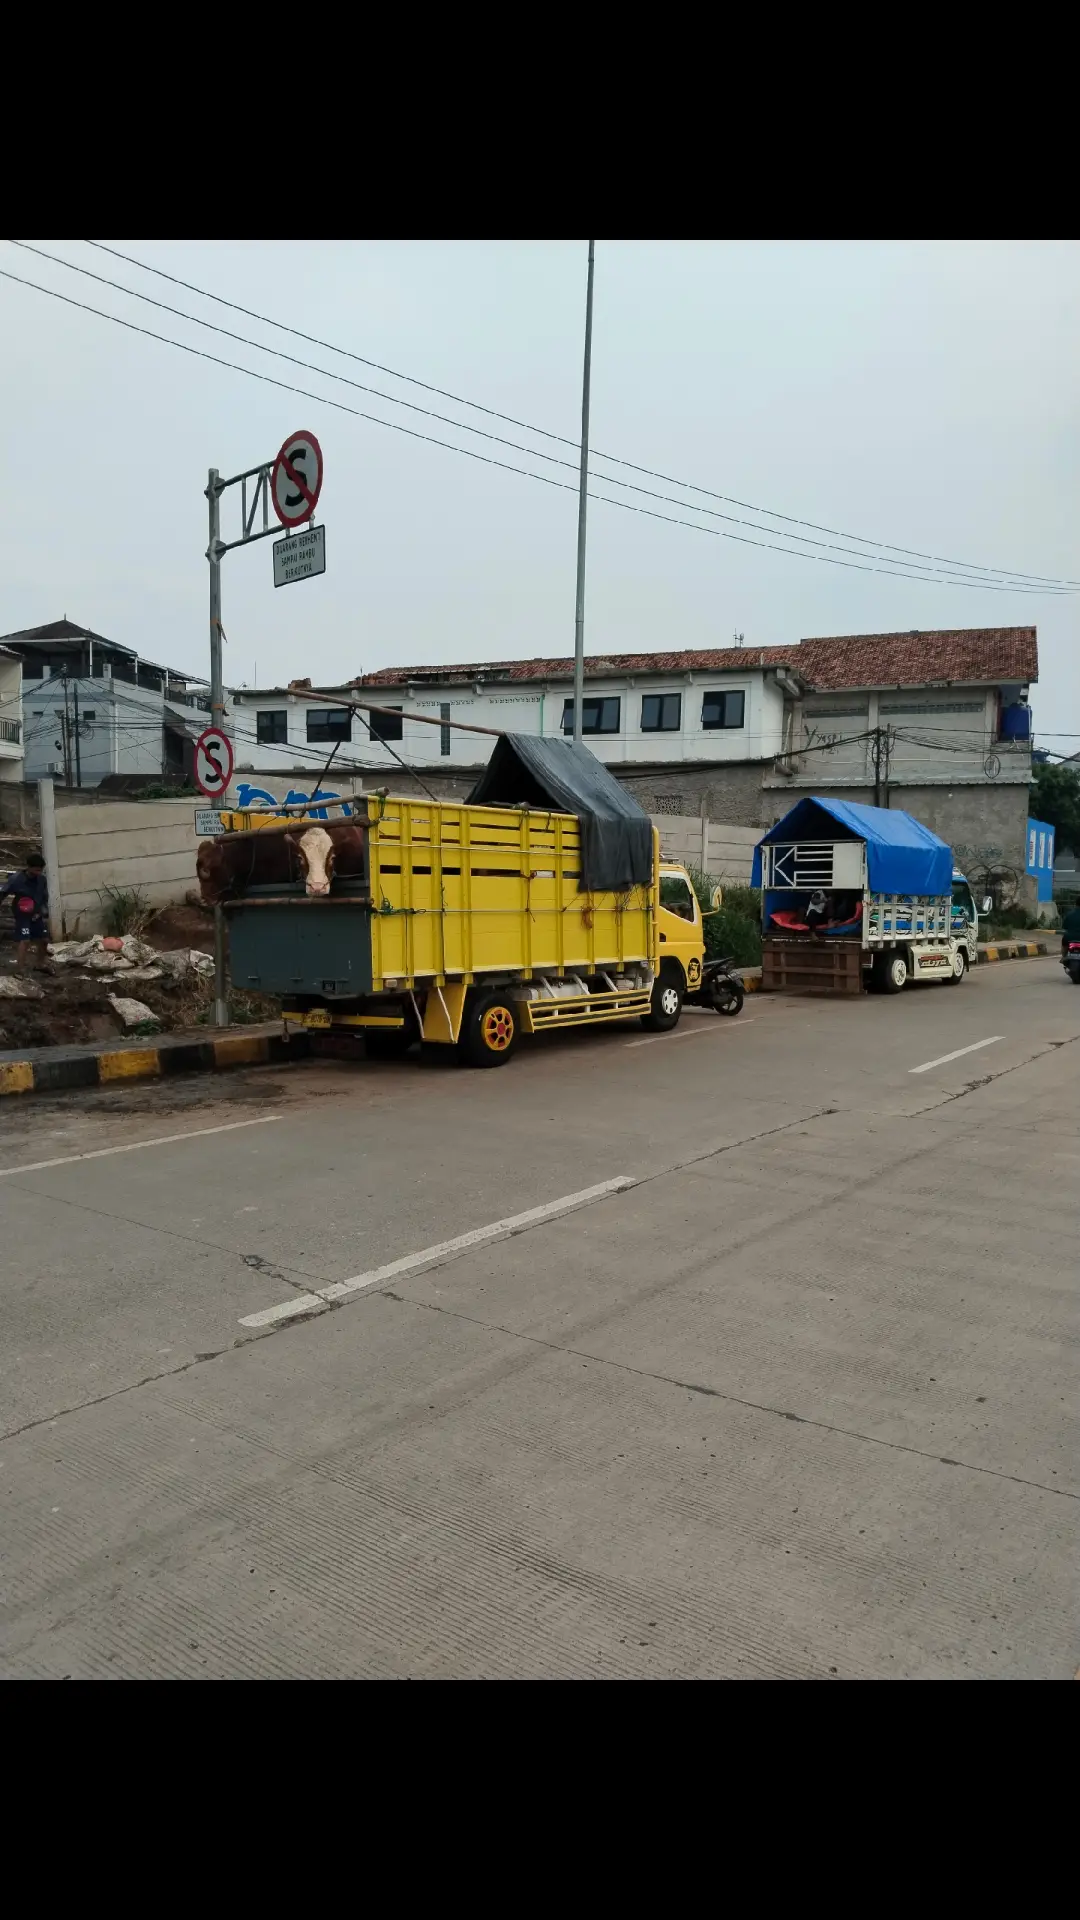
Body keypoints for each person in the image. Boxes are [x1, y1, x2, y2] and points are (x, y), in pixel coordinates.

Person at [0, 852, 50, 971]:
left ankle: (40, 964)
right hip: (22, 914)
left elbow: (44, 897)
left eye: (40, 870)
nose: (38, 873)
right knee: (25, 940)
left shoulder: (42, 880)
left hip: (36, 913)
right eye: (36, 870)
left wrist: (43, 912)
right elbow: (3, 893)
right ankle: (20, 970)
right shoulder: (17, 879)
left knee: (45, 939)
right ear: (29, 867)